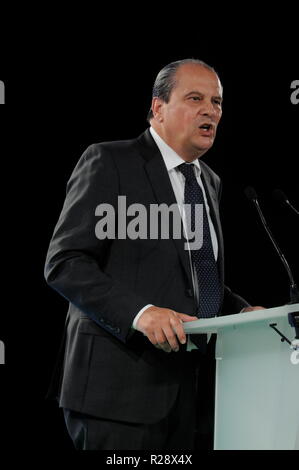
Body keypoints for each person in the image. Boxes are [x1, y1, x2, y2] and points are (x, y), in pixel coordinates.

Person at [44, 58, 262, 450]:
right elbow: (65, 262)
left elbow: (195, 274)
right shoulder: (110, 161)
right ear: (158, 107)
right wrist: (140, 313)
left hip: (186, 394)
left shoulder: (208, 181)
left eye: (216, 101)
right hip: (116, 393)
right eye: (195, 98)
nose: (210, 110)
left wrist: (242, 312)